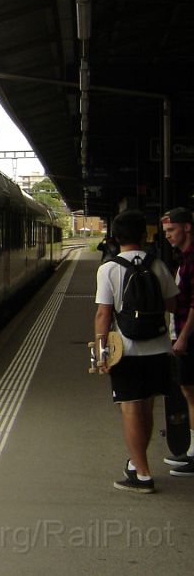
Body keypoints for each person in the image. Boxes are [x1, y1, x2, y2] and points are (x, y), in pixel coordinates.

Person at [94, 209, 178, 493]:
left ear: (115, 238)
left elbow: (103, 315)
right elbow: (172, 305)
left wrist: (100, 352)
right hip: (158, 347)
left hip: (126, 350)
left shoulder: (108, 268)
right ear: (145, 236)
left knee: (129, 407)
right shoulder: (159, 265)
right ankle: (135, 462)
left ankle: (142, 474)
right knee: (146, 405)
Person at [160, 206, 194, 476]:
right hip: (182, 333)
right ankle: (192, 451)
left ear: (187, 227)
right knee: (188, 393)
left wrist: (182, 337)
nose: (168, 236)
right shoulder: (183, 258)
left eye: (171, 230)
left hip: (189, 338)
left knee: (191, 395)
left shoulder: (192, 259)